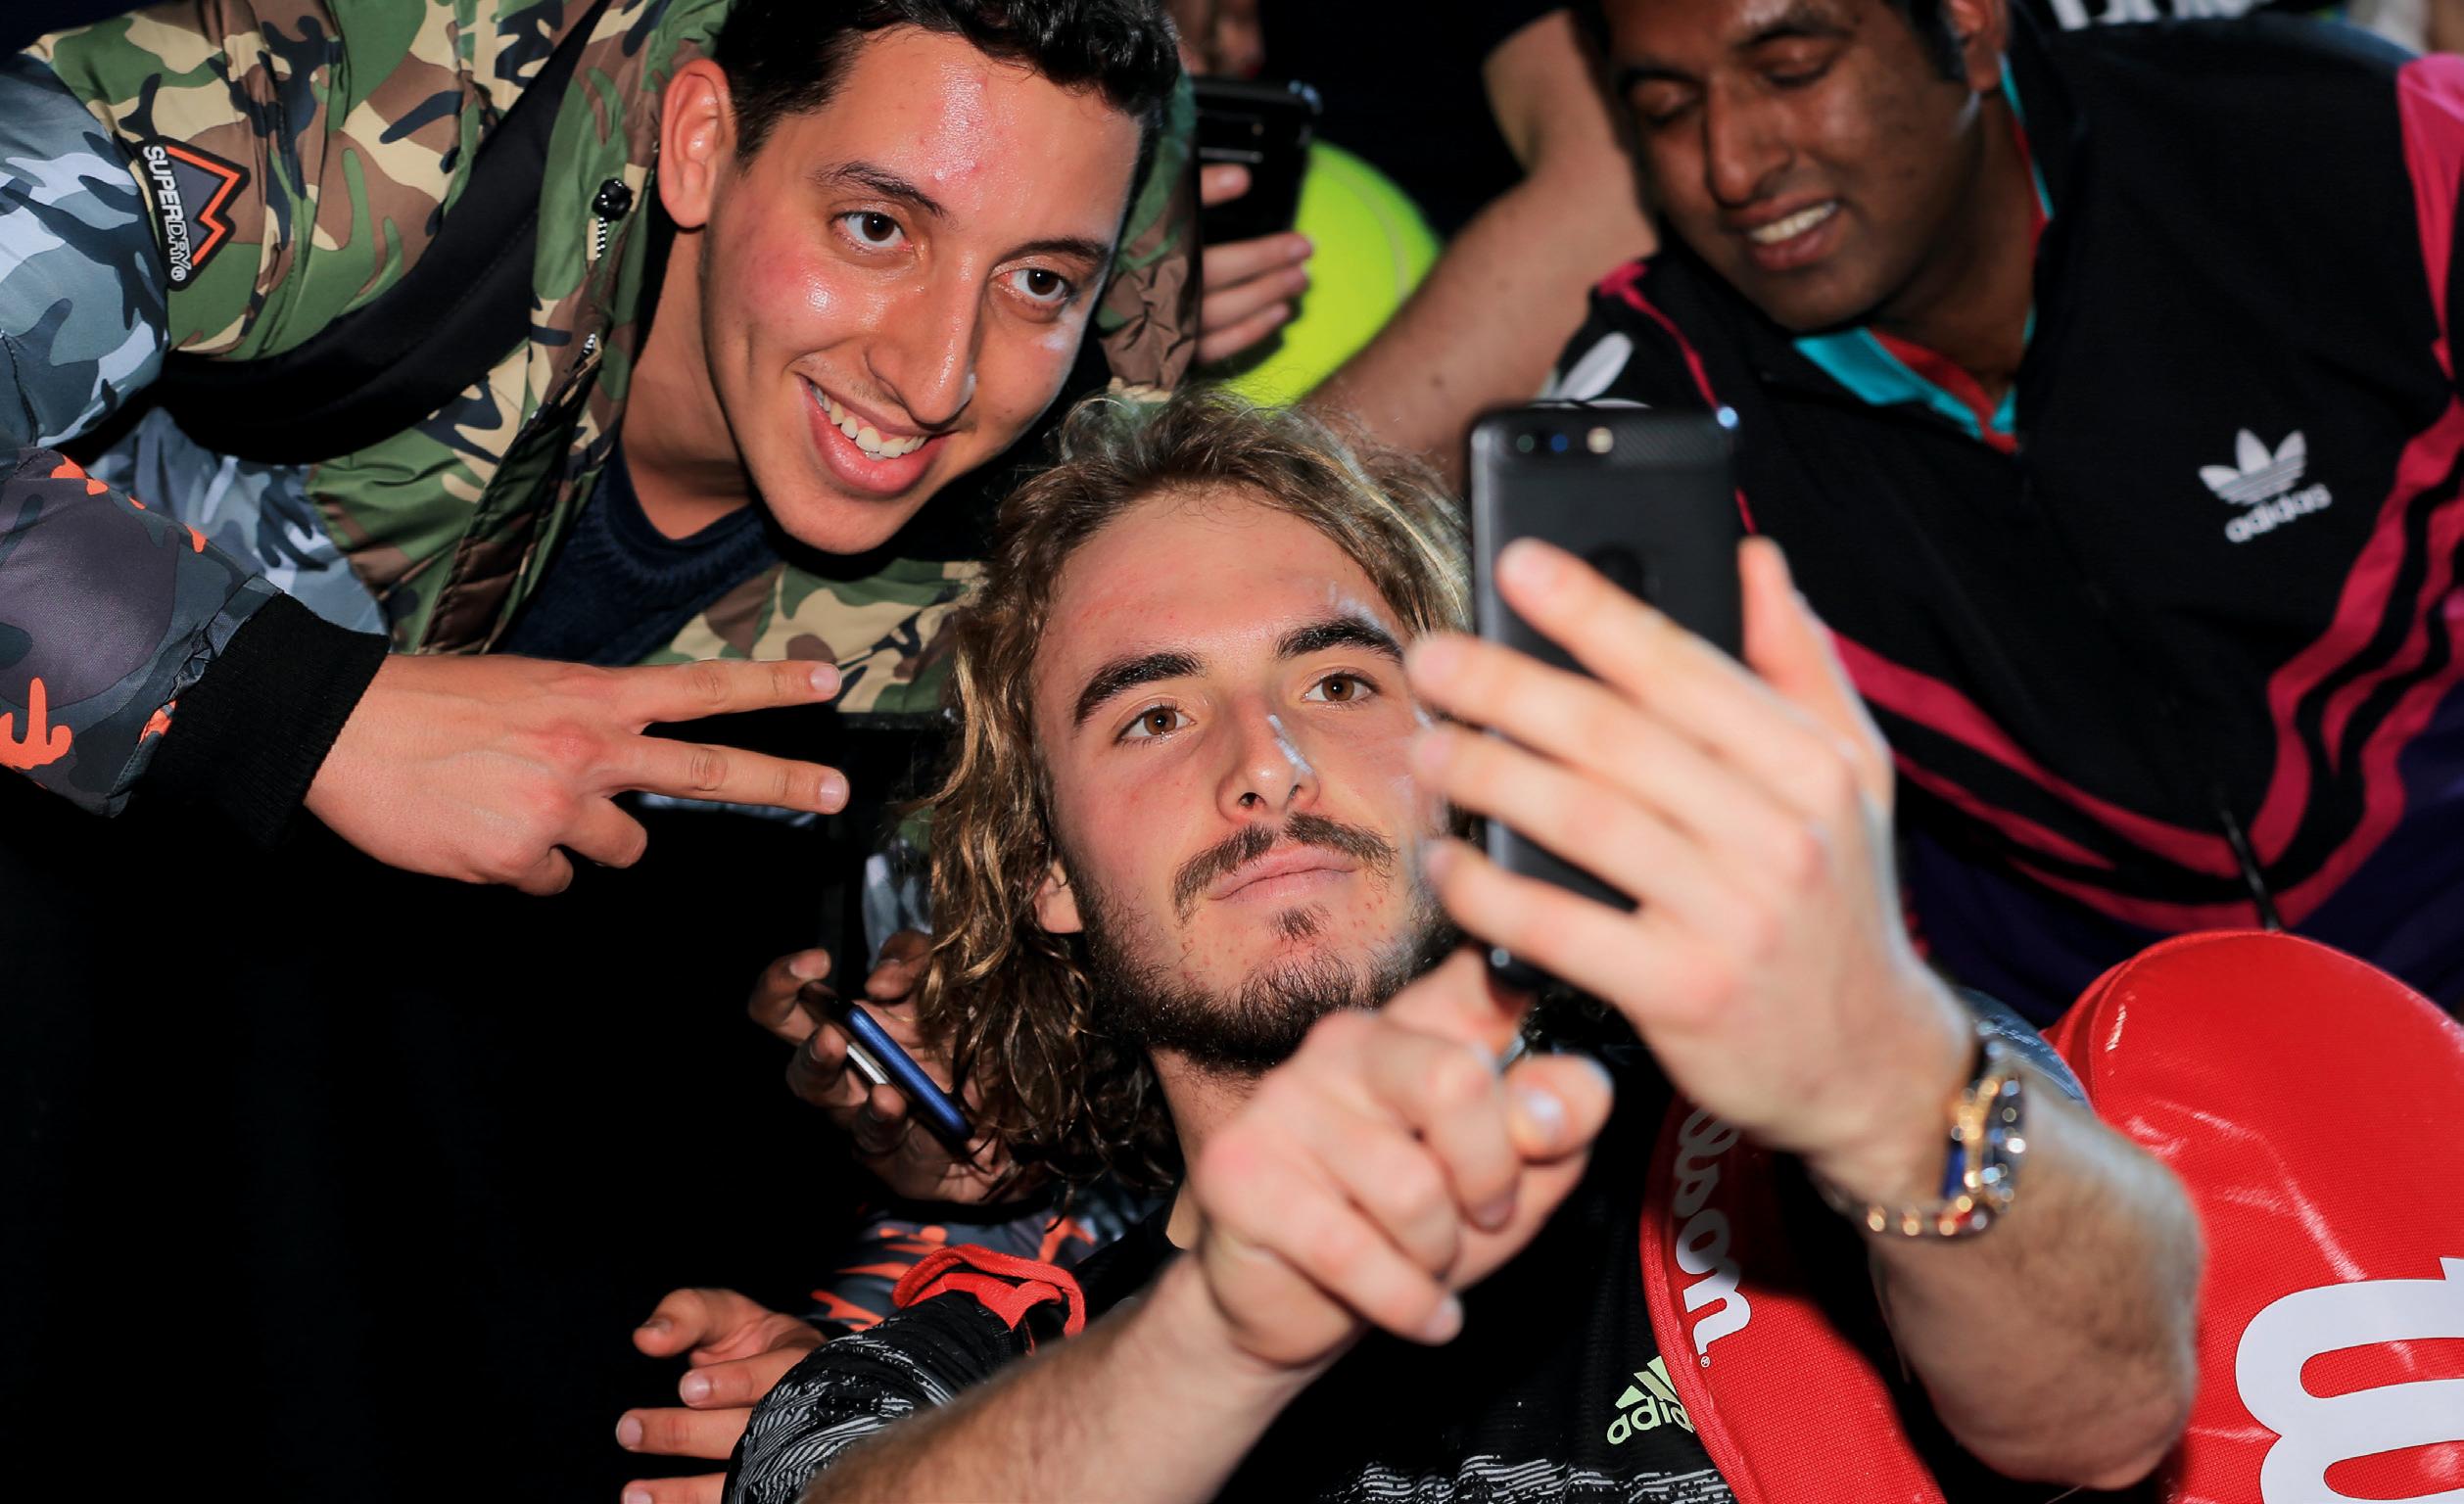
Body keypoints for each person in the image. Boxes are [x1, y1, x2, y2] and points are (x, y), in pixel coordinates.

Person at [717, 390, 2202, 1501]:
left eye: (1341, 683)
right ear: (1046, 868)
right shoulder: (965, 1370)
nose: (1267, 764)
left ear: (1468, 755)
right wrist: (1225, 1330)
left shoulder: (1796, 1123)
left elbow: (2113, 1403)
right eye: (1153, 715)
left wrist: (1882, 1085)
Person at [0, 0, 1205, 883]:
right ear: (699, 144)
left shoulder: (1082, 498)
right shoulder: (367, 120)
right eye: (875, 227)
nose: (939, 379)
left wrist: (942, 1022)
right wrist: (307, 710)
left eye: (1039, 282)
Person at [1545, 0, 2464, 1017]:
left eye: (1793, 69)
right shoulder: (1644, 430)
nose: (1730, 166)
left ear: (1969, 24)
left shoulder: (2365, 146)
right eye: (1668, 109)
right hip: (2054, 1072)